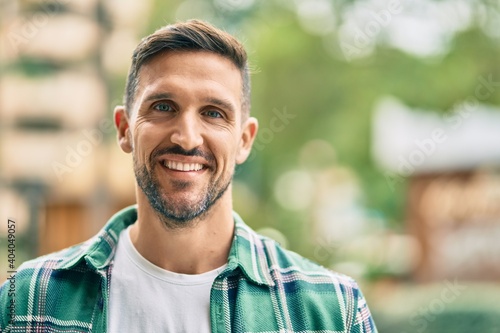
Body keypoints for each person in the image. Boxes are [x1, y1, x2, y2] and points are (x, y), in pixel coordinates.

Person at [0, 19, 378, 332]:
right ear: (124, 129)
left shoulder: (332, 312)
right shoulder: (25, 301)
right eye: (163, 106)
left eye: (214, 113)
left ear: (244, 141)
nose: (186, 137)